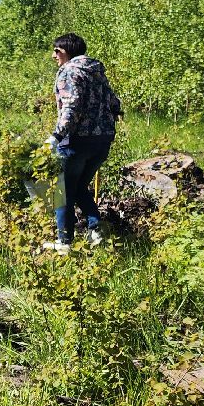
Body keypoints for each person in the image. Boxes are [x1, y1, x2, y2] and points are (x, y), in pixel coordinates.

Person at [44, 32, 122, 252]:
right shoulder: (96, 72)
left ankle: (64, 243)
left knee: (63, 191)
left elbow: (72, 106)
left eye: (56, 51)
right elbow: (114, 102)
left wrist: (56, 136)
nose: (54, 56)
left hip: (76, 141)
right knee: (78, 186)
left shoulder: (68, 72)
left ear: (66, 51)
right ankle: (96, 229)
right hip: (102, 140)